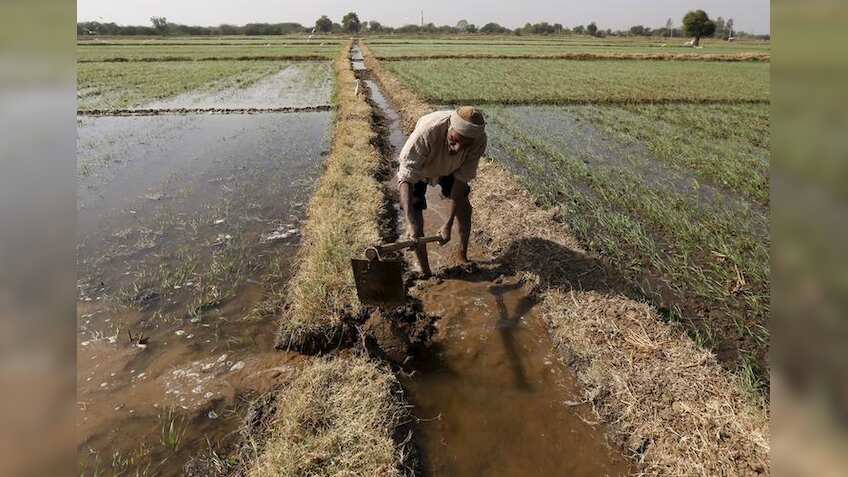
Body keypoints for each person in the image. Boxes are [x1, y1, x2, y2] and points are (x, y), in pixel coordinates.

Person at [396, 106, 487, 276]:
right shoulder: (427, 132)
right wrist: (409, 222)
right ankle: (426, 272)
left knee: (465, 208)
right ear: (449, 128)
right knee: (415, 220)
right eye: (454, 139)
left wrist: (449, 223)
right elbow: (406, 178)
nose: (458, 148)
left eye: (465, 144)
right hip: (422, 168)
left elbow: (460, 183)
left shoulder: (479, 140)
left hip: (451, 169)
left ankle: (462, 255)